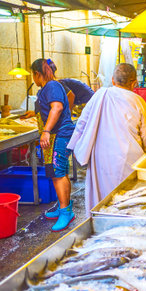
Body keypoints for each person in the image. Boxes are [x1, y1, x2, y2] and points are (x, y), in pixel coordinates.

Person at [67, 63, 146, 216]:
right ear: (134, 83)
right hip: (130, 159)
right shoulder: (139, 102)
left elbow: (82, 122)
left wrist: (76, 147)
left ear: (113, 81)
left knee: (103, 197)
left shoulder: (100, 95)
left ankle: (101, 221)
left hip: (101, 158)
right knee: (128, 201)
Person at [31, 58, 75, 232]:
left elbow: (56, 107)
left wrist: (46, 131)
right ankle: (64, 206)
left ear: (37, 74)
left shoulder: (51, 86)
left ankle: (66, 212)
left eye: (33, 76)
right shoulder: (51, 86)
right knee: (60, 172)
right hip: (59, 134)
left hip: (59, 134)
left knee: (58, 173)